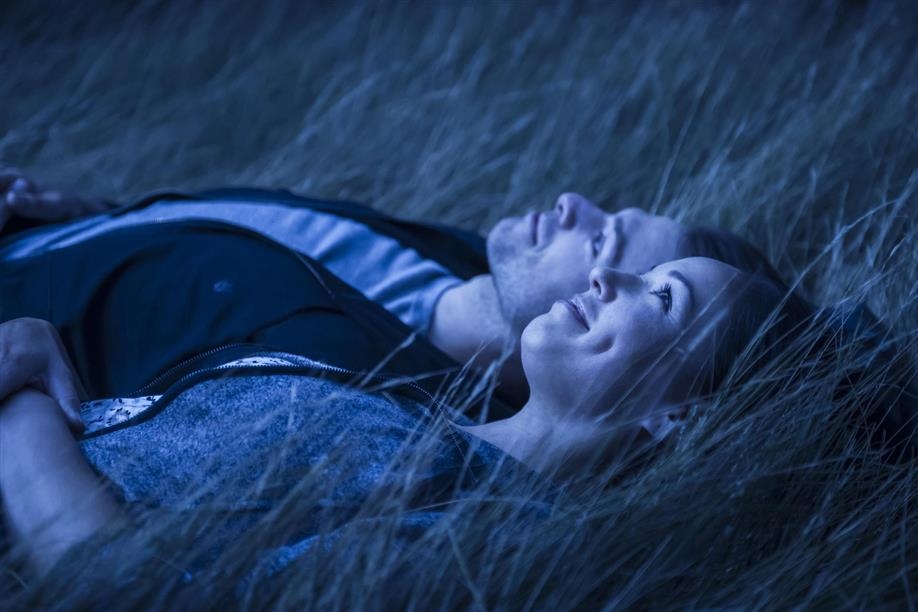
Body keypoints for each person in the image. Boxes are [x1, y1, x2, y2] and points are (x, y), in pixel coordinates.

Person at [0, 257, 804, 579]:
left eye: (661, 298)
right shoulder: (426, 420)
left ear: (678, 418)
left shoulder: (483, 531)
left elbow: (115, 585)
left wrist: (21, 400)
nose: (606, 276)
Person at [0, 167, 779, 407]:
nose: (575, 204)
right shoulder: (455, 254)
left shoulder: (354, 384)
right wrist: (101, 215)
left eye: (605, 243)